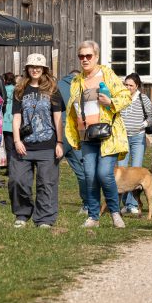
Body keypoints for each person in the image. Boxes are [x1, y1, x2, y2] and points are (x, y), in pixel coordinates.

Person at [64, 41, 132, 229]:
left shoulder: (107, 74)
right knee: (89, 176)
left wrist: (110, 101)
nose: (85, 59)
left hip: (107, 135)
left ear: (96, 57)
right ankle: (93, 216)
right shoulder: (77, 81)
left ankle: (115, 212)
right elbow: (74, 108)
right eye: (81, 56)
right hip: (86, 135)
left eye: (88, 56)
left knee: (104, 174)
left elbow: (126, 96)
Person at [10, 54, 64, 228]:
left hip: (47, 145)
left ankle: (45, 219)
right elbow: (16, 118)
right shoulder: (20, 89)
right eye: (32, 66)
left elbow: (57, 118)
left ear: (44, 70)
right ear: (27, 68)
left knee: (46, 183)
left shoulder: (52, 89)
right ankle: (22, 214)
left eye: (38, 67)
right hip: (23, 145)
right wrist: (17, 141)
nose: (35, 69)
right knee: (18, 181)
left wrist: (59, 142)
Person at [118, 73, 152, 215]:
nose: (128, 87)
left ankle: (131, 204)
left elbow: (151, 116)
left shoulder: (142, 98)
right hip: (123, 138)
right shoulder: (121, 97)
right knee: (122, 170)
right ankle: (120, 204)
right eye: (126, 85)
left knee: (135, 170)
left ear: (137, 86)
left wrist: (142, 124)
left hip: (138, 138)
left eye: (131, 85)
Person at [59, 69, 89, 214]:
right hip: (78, 132)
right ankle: (87, 205)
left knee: (49, 169)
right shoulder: (83, 86)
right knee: (82, 170)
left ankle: (45, 203)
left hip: (60, 131)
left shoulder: (57, 85)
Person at [0, 72, 16, 167]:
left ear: (5, 80)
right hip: (15, 120)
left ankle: (10, 167)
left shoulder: (3, 90)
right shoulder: (17, 90)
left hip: (6, 121)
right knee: (16, 145)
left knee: (9, 147)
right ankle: (16, 166)